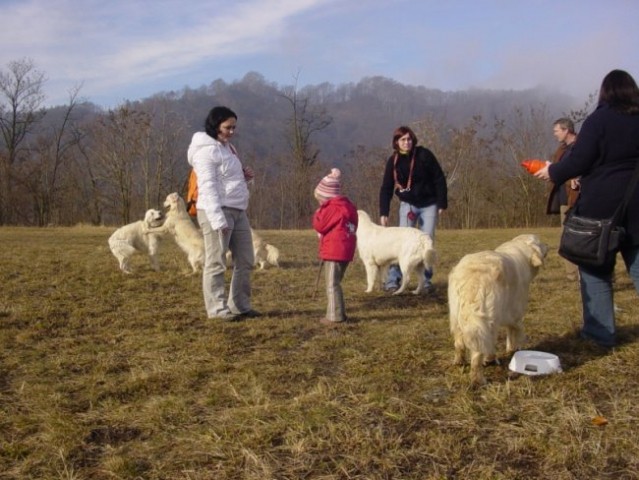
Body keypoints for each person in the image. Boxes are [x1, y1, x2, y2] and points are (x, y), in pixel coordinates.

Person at [535, 69, 639, 348]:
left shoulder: (598, 120)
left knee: (596, 269)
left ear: (605, 93)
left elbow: (580, 159)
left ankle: (600, 333)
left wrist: (553, 172)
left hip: (602, 205)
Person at [187, 106, 260, 321]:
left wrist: (243, 177)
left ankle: (239, 306)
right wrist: (218, 220)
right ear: (215, 125)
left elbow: (225, 180)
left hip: (238, 210)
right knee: (216, 261)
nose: (231, 132)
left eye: (234, 127)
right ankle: (217, 310)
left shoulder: (228, 148)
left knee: (246, 259)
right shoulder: (205, 151)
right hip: (216, 212)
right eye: (227, 127)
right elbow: (207, 187)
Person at [379, 125, 447, 292]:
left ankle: (426, 281)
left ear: (413, 140)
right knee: (400, 243)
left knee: (427, 241)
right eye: (403, 140)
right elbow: (386, 188)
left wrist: (441, 203)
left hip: (428, 205)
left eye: (409, 139)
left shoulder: (424, 155)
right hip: (408, 205)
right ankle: (393, 280)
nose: (407, 142)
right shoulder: (393, 161)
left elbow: (439, 178)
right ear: (396, 142)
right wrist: (384, 212)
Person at [312, 168, 358, 325]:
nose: (319, 203)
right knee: (336, 282)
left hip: (334, 251)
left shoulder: (331, 208)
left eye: (320, 200)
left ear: (327, 197)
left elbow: (319, 225)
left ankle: (335, 317)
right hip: (346, 249)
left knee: (331, 284)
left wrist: (319, 211)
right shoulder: (348, 206)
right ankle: (339, 313)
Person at [546, 117, 580, 280]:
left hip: (580, 199)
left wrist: (579, 179)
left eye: (556, 131)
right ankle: (572, 274)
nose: (554, 134)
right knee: (566, 238)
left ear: (566, 130)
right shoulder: (560, 151)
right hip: (564, 201)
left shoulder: (584, 146)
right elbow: (559, 171)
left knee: (587, 238)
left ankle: (594, 272)